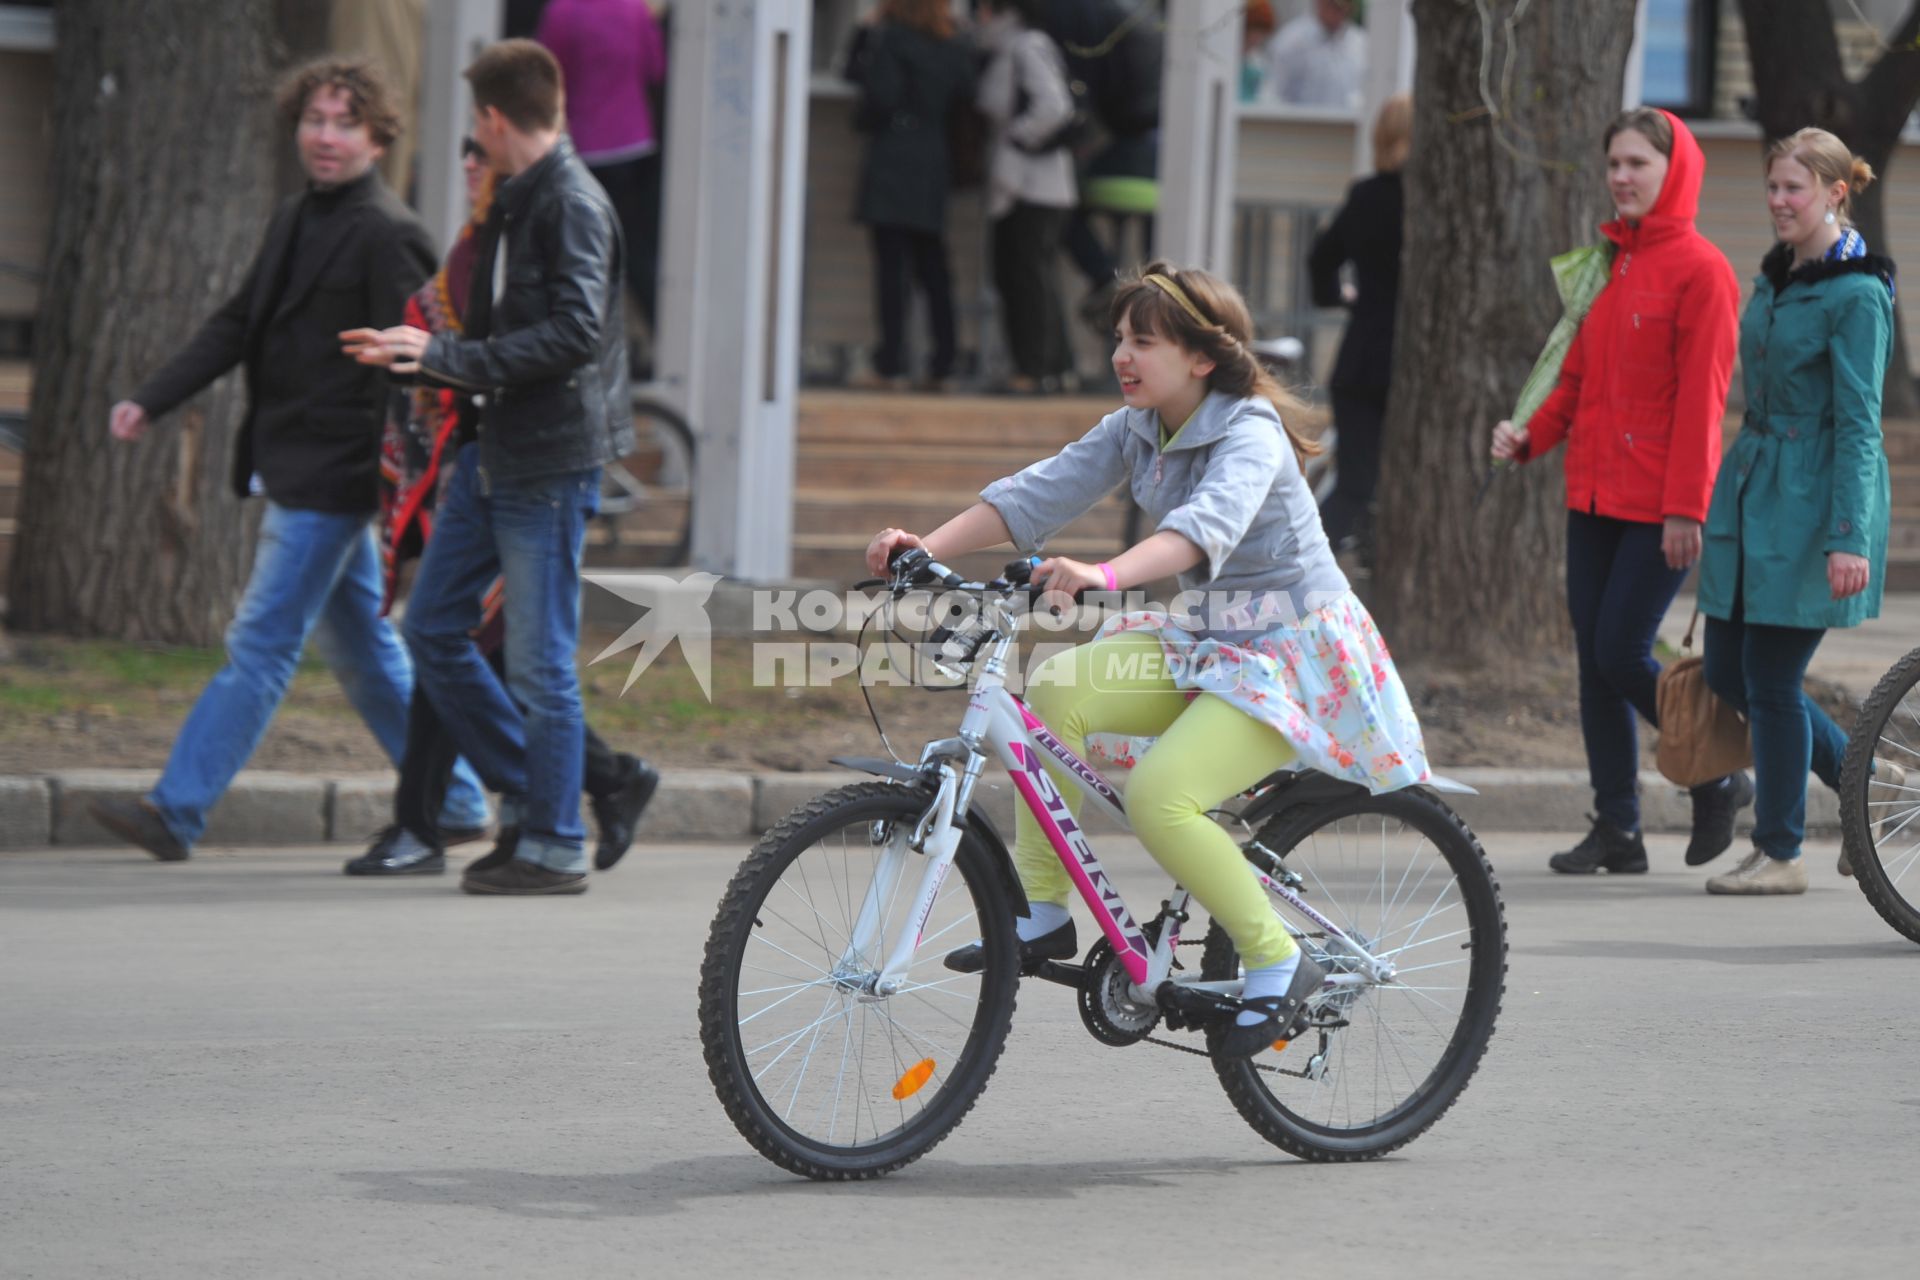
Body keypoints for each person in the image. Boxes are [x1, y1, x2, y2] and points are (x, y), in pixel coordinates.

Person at [865, 260, 1430, 1058]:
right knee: (1057, 688)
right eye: (1119, 339)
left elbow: (1204, 528)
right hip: (1208, 638)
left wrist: (1103, 574)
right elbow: (1035, 494)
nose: (1122, 356)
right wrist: (924, 547)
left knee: (1165, 793)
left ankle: (1278, 959)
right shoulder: (1139, 425)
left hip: (1290, 655)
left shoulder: (1249, 431)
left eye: (1145, 341)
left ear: (1202, 357)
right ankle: (1044, 912)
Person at [89, 57, 492, 863]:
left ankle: (176, 809)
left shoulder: (388, 231)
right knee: (363, 649)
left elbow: (424, 364)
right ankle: (456, 797)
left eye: (346, 122)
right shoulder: (295, 217)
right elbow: (239, 322)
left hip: (337, 477)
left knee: (262, 638)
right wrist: (152, 397)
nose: (326, 136)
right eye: (315, 119)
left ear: (378, 137)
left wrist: (415, 483)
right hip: (295, 462)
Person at [345, 39, 635, 896]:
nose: (473, 134)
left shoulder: (571, 201)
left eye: (476, 119)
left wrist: (443, 356)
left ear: (498, 119)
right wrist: (430, 354)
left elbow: (576, 332)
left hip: (546, 464)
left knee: (542, 665)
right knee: (432, 628)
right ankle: (545, 796)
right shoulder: (519, 197)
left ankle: (550, 839)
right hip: (494, 450)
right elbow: (496, 327)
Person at [1490, 108, 1746, 875]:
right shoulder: (1609, 263)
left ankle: (1715, 773)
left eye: (1638, 163)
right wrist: (1530, 435)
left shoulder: (1705, 271)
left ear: (1677, 171)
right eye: (1614, 165)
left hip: (1660, 504)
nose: (1623, 178)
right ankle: (1619, 830)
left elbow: (1704, 401)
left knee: (1619, 650)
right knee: (1591, 663)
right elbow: (1575, 379)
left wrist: (1686, 509)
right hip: (1592, 495)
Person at [1694, 129, 1896, 896]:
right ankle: (1866, 782)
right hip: (1755, 494)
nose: (1779, 202)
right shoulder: (1779, 278)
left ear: (1836, 193)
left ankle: (1779, 850)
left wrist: (1848, 536)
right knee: (1726, 669)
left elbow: (1858, 422)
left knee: (1772, 678)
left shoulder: (1857, 294)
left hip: (1813, 505)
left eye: (1795, 189)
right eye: (1773, 187)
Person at [844, 0, 976, 392]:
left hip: (892, 158)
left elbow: (874, 92)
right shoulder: (955, 44)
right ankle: (943, 361)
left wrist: (863, 36)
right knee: (933, 266)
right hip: (934, 158)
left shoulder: (892, 39)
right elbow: (966, 93)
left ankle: (890, 362)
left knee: (891, 268)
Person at [1307, 91, 1409, 561]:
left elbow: (1320, 260)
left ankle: (1304, 570)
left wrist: (1341, 298)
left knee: (1354, 483)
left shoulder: (1367, 195)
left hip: (1363, 356)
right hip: (1411, 363)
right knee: (1396, 485)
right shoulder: (1439, 203)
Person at [536, 0, 669, 336]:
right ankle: (665, 339)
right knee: (635, 254)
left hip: (586, 147)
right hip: (634, 144)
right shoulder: (635, 9)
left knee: (577, 253)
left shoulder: (563, 10)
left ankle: (578, 338)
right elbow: (655, 67)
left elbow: (546, 76)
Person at [976, 0, 1078, 394]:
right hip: (1027, 184)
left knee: (1027, 278)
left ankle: (1035, 370)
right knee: (1028, 276)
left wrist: (1018, 140)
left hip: (1033, 185)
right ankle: (1046, 366)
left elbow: (1054, 106)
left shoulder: (1024, 45)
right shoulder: (1013, 46)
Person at [1264, 0, 1366, 110]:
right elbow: (1274, 95)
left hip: (1348, 124)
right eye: (1332, 4)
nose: (1337, 10)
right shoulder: (1291, 41)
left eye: (1343, 5)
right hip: (1301, 124)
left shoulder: (1360, 43)